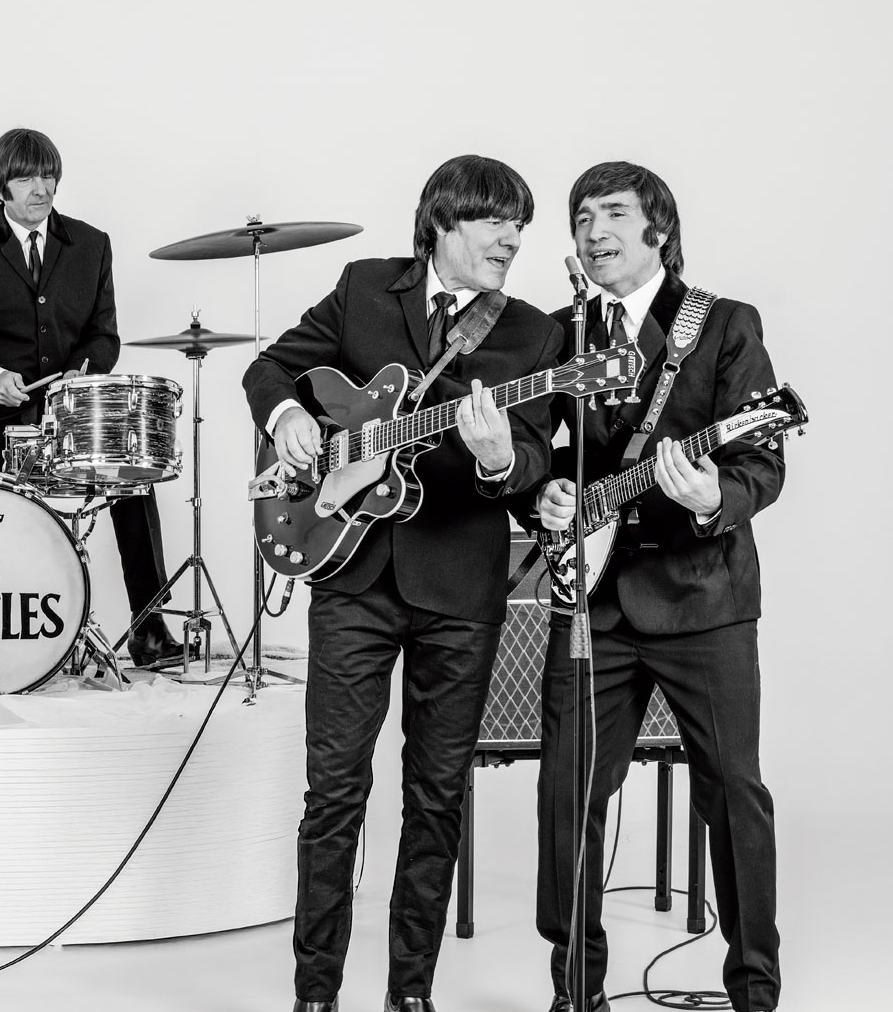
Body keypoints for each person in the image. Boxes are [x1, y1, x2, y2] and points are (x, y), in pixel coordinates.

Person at [243, 155, 562, 1012]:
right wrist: (290, 418)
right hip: (353, 576)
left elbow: (533, 463)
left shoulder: (534, 335)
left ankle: (409, 994)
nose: (512, 239)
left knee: (435, 797)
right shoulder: (363, 288)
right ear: (442, 223)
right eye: (495, 221)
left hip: (460, 590)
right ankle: (315, 993)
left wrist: (499, 459)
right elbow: (270, 369)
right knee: (334, 793)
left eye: (520, 225)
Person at [530, 162, 782, 1012]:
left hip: (702, 597)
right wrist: (544, 496)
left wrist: (713, 496)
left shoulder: (723, 324)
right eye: (581, 217)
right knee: (567, 795)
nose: (593, 230)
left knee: (733, 795)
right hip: (591, 604)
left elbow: (761, 464)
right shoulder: (557, 335)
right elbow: (535, 459)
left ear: (658, 230)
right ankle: (576, 992)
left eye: (612, 213)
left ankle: (754, 991)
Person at [0, 126, 183, 665]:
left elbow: (105, 336)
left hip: (70, 411)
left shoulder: (91, 244)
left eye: (48, 176)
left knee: (132, 477)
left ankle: (149, 627)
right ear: (0, 187)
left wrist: (81, 374)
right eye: (25, 179)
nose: (41, 188)